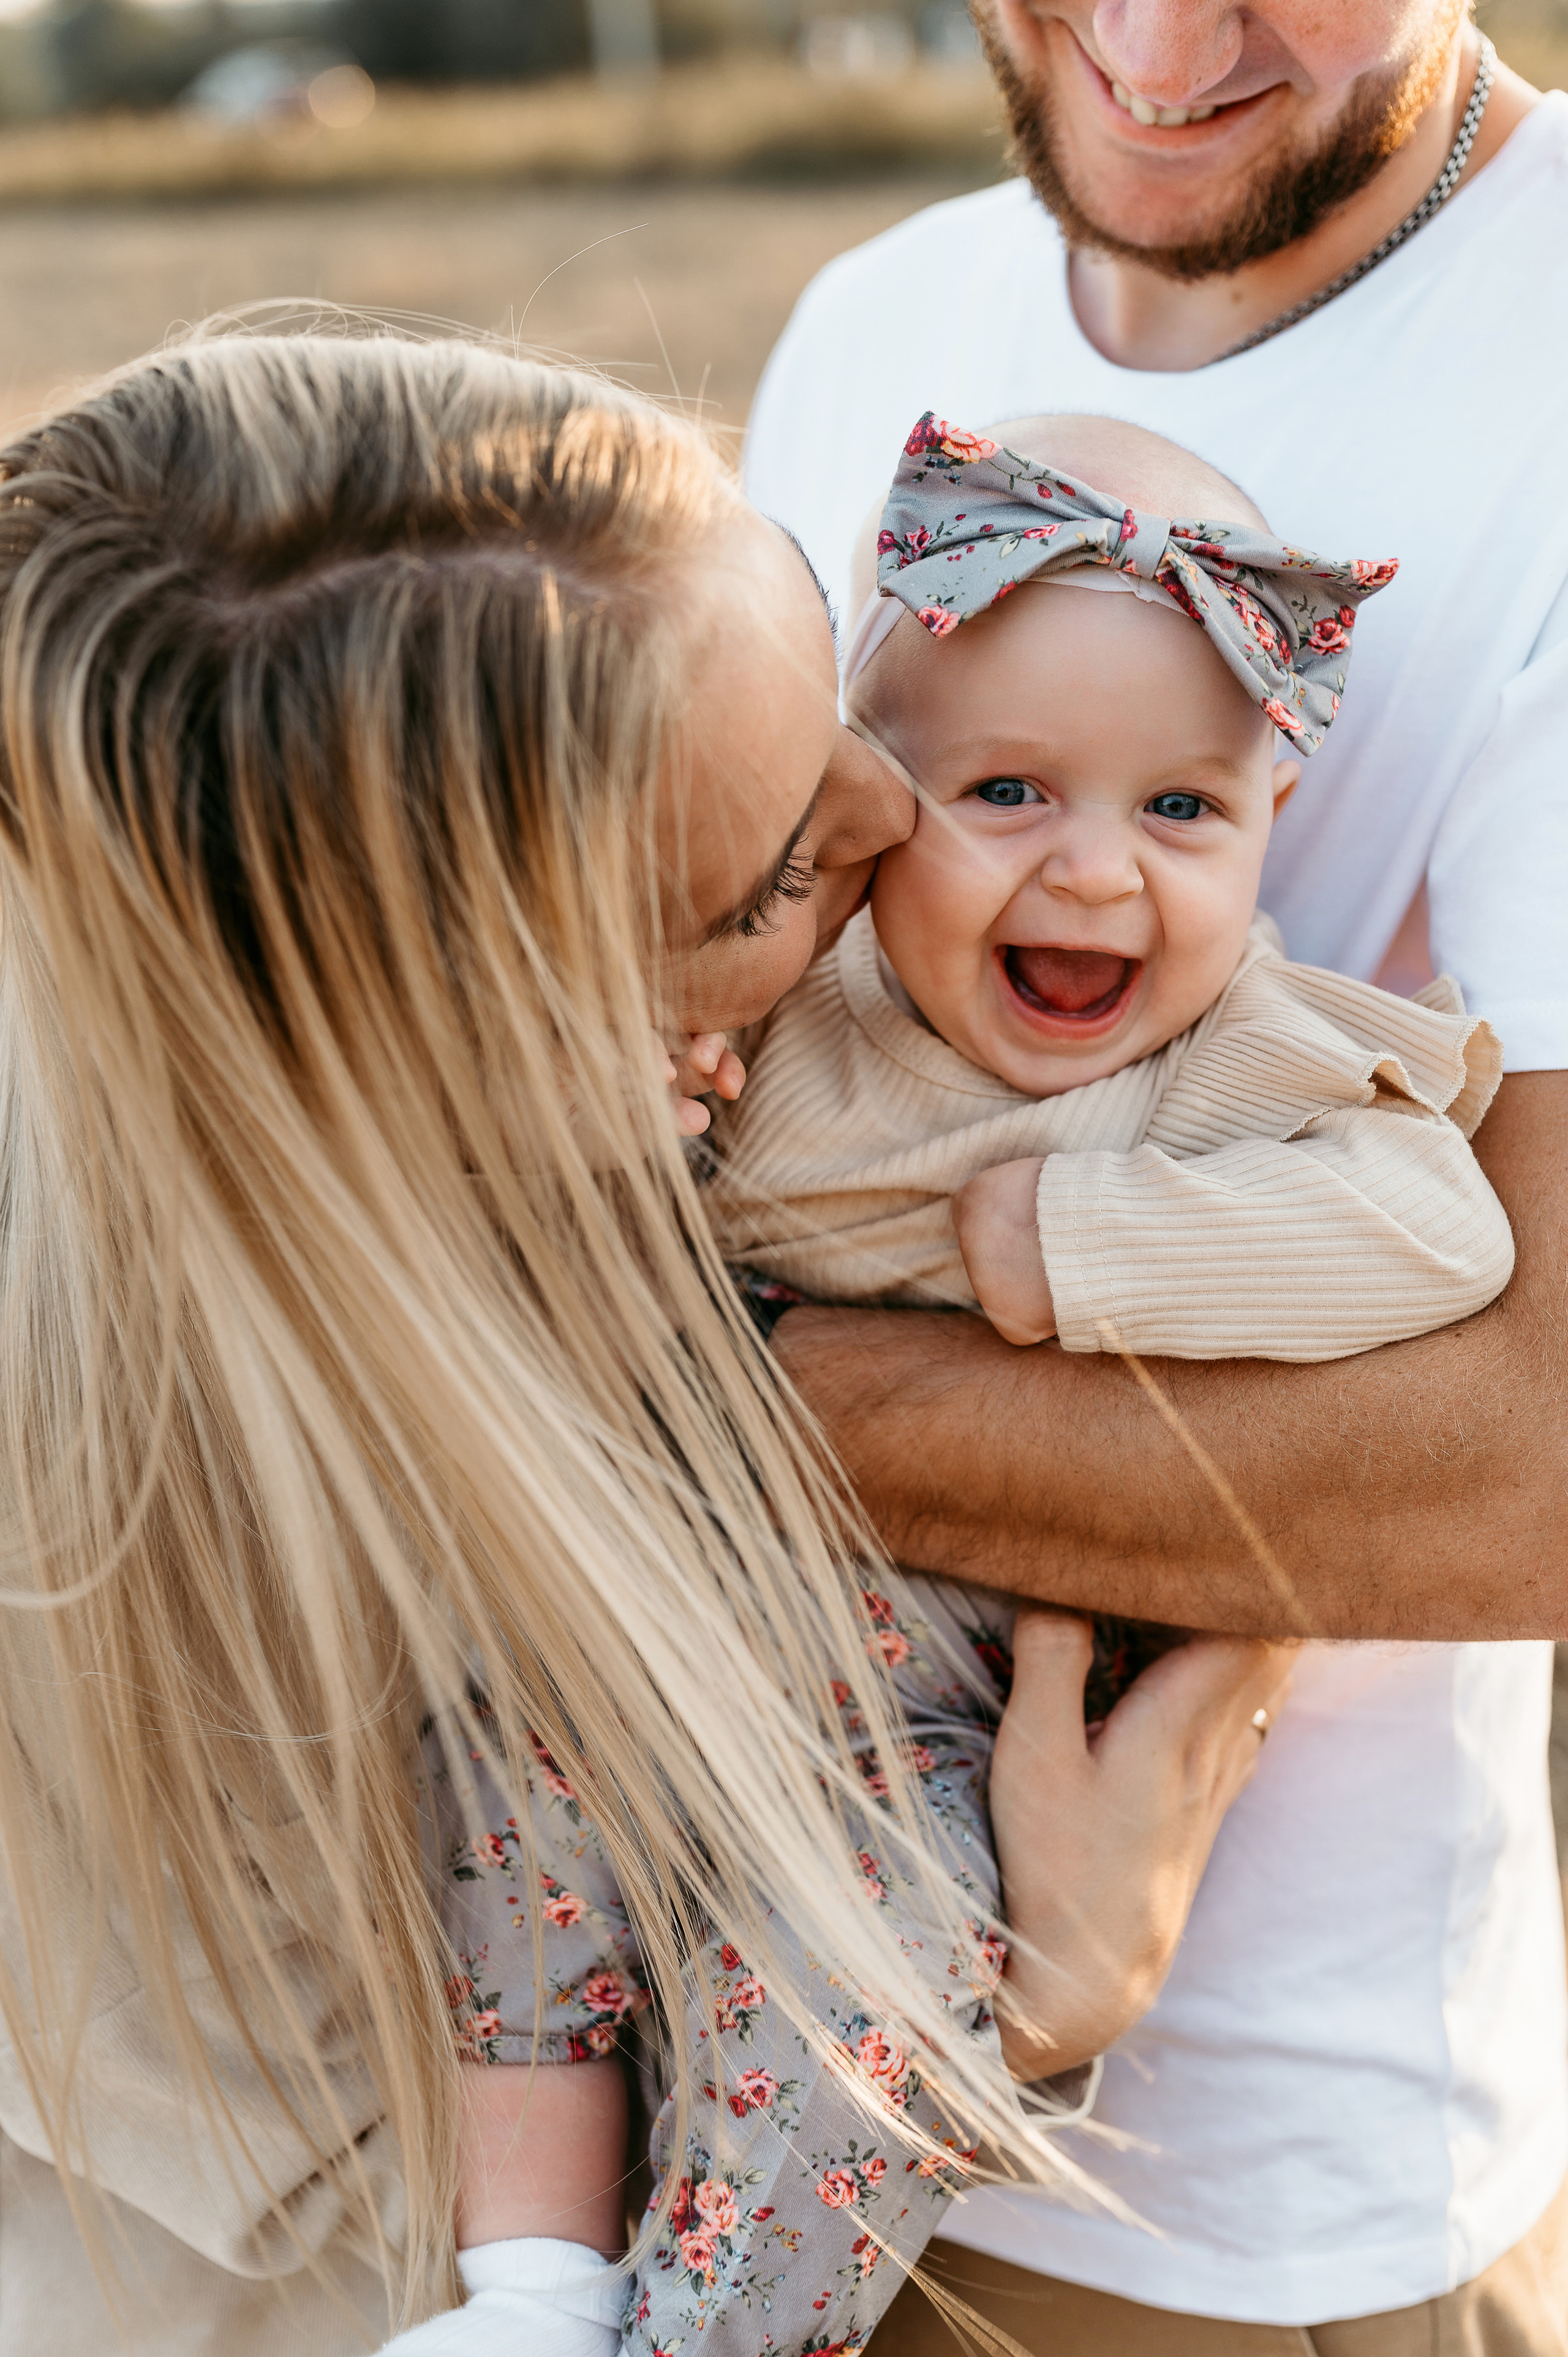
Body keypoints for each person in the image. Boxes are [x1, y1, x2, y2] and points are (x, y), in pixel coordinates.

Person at [0, 330, 1289, 2357]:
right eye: (774, 870)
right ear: (510, 1036)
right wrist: (1026, 1997)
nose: (895, 801)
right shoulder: (146, 1532)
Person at [743, 4, 1568, 2349]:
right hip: (713, 2018)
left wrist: (699, 1388)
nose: (1161, 36)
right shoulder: (873, 324)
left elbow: (1546, 1455)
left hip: (1223, 2215)